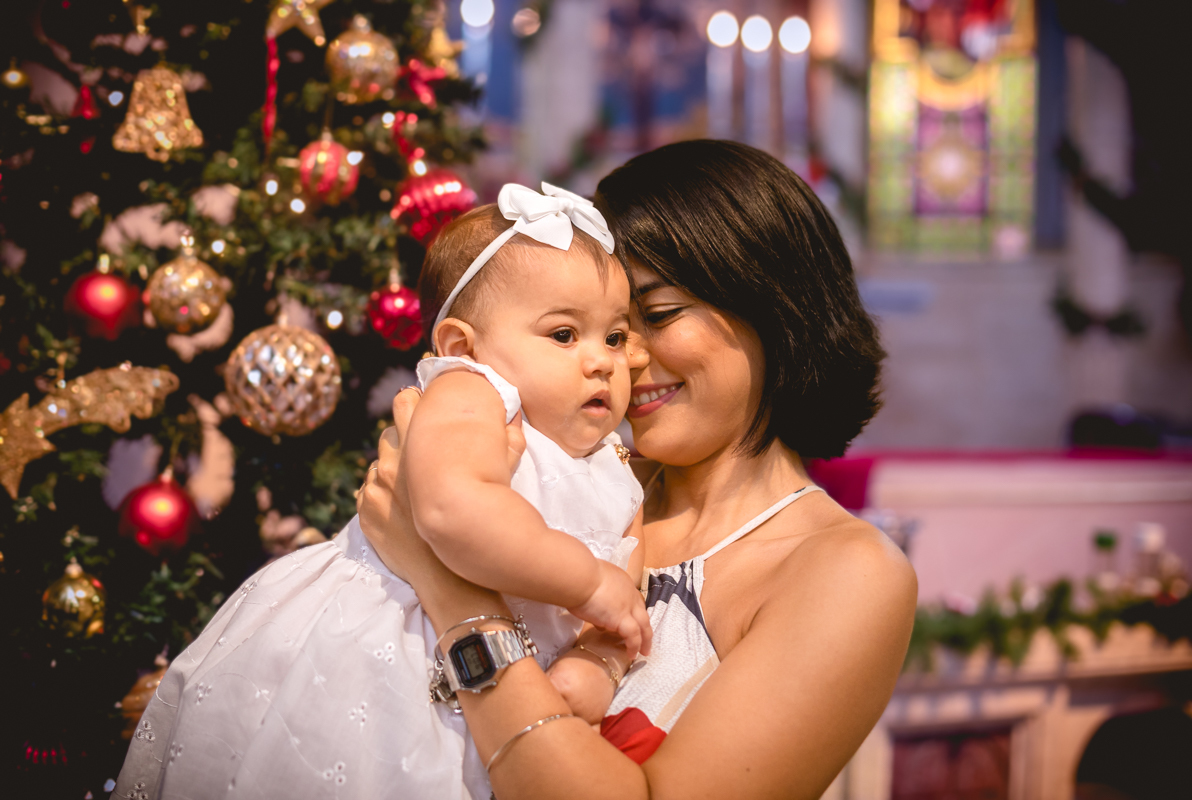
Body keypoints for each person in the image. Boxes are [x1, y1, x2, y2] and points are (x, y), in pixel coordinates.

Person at [356, 139, 918, 799]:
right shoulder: (563, 482)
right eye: (599, 329)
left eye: (654, 317)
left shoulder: (846, 572)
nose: (618, 360)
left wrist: (452, 589)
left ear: (772, 307)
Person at [113, 182, 653, 800]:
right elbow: (452, 509)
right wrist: (585, 583)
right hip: (385, 649)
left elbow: (626, 587)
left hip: (493, 689)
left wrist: (599, 662)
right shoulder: (475, 396)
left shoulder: (613, 462)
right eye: (563, 335)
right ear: (462, 348)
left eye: (614, 337)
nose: (603, 362)